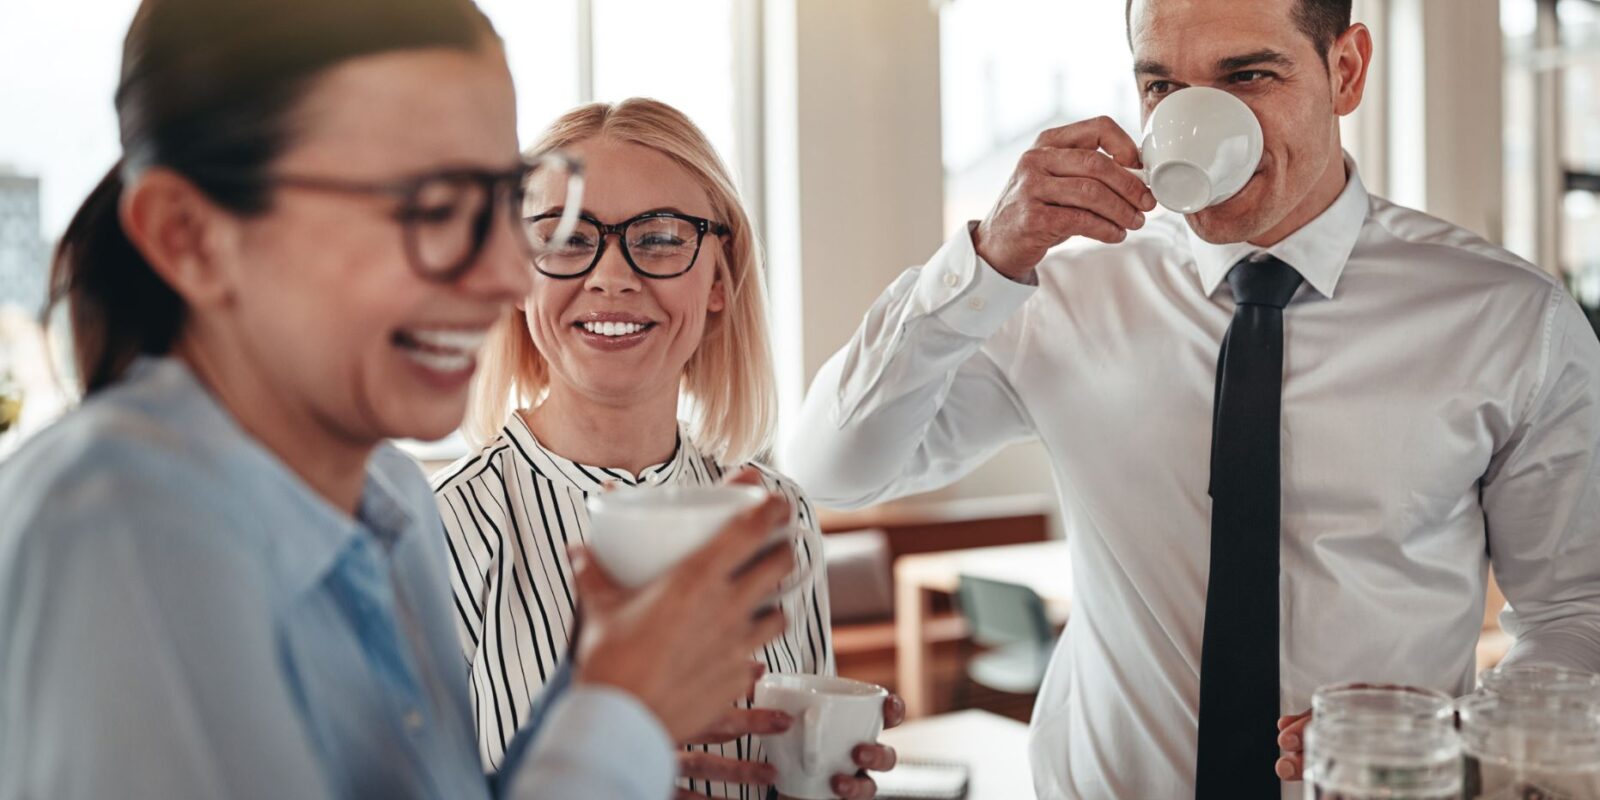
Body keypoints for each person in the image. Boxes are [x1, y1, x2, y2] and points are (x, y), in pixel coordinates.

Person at [782, 0, 1600, 797]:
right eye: (1163, 88)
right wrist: (984, 260)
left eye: (1247, 76)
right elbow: (832, 468)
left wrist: (1454, 738)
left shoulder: (1509, 319)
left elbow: (1576, 609)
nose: (1198, 115)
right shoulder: (1058, 291)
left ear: (1345, 71)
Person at [0, 1, 797, 798]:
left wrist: (589, 697)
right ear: (191, 236)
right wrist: (620, 716)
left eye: (499, 202)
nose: (508, 277)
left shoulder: (394, 501)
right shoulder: (115, 530)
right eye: (430, 207)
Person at [436, 97, 901, 800]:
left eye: (657, 238)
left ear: (719, 280)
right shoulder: (439, 529)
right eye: (565, 238)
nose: (612, 276)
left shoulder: (780, 516)